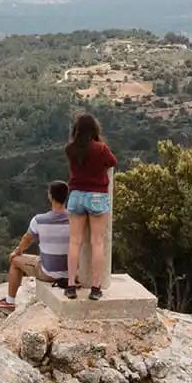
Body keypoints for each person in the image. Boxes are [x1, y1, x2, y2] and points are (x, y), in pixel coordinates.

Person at [63, 112, 117, 301]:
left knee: (74, 242)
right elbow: (112, 162)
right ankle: (95, 288)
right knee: (97, 243)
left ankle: (71, 285)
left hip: (76, 195)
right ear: (94, 129)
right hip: (96, 196)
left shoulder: (70, 149)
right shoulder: (101, 148)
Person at [1, 181, 71, 312]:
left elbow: (26, 239)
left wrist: (17, 251)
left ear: (50, 196)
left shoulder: (39, 220)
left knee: (15, 261)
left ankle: (9, 302)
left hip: (49, 273)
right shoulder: (75, 219)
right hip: (72, 273)